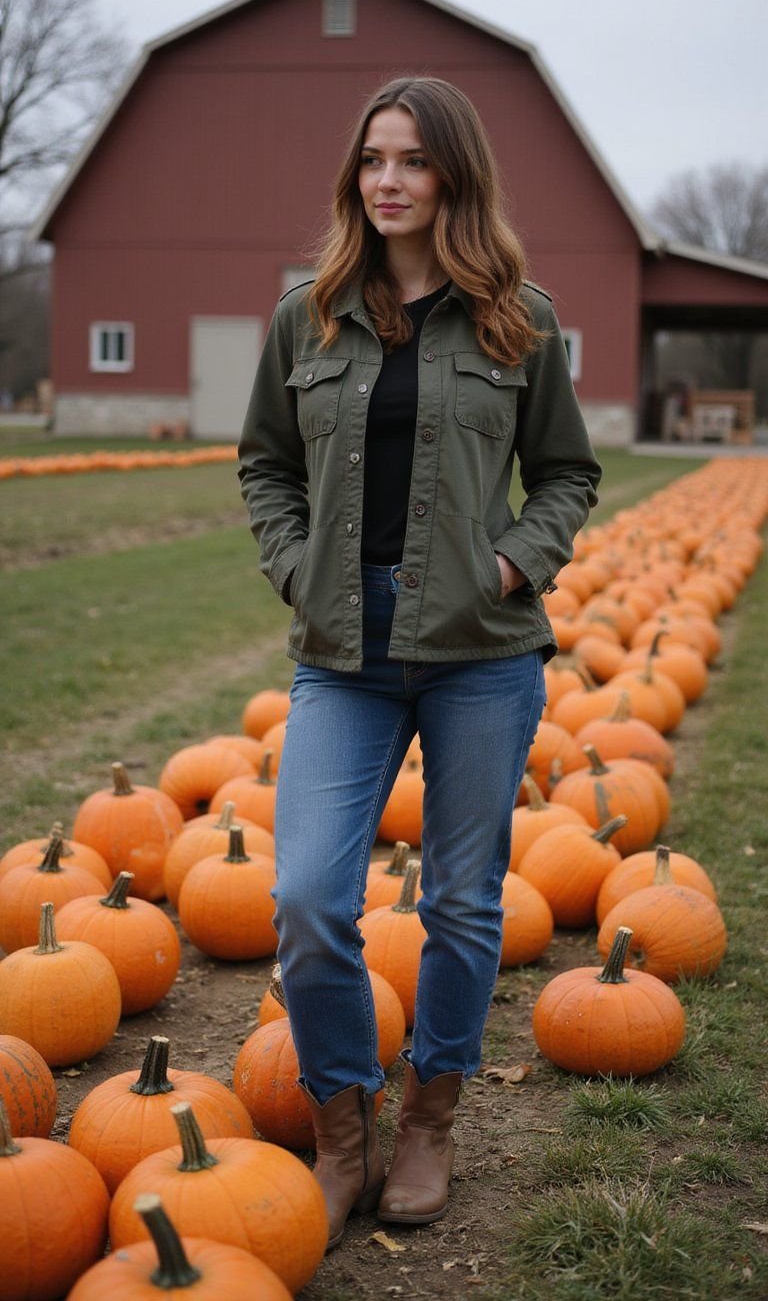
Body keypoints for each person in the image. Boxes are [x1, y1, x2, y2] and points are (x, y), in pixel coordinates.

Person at [238, 76, 601, 1248]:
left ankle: (432, 1118)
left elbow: (568, 475)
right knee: (304, 901)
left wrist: (509, 566)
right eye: (371, 161)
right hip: (342, 647)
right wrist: (298, 571)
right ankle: (343, 1126)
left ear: (453, 176)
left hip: (480, 652)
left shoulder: (518, 317)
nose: (385, 181)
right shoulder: (309, 315)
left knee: (459, 902)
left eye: (411, 162)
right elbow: (265, 467)